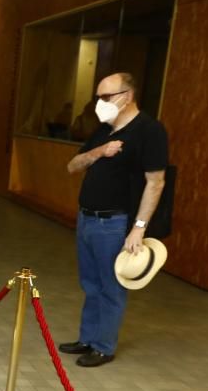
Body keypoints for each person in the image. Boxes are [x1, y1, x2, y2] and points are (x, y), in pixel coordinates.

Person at [62, 72, 168, 367]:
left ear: (127, 96)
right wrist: (100, 151)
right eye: (98, 97)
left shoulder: (149, 131)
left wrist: (138, 227)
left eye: (106, 97)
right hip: (87, 218)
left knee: (111, 286)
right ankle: (87, 338)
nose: (100, 103)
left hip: (114, 222)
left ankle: (103, 346)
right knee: (90, 283)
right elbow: (73, 165)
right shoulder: (104, 130)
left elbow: (156, 182)